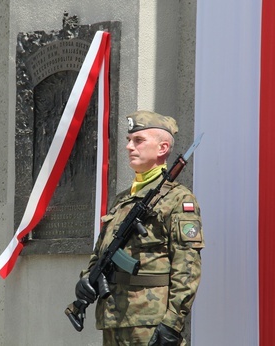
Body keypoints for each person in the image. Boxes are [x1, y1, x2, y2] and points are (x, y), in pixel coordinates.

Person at [75, 110, 204, 345]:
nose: (129, 147)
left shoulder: (178, 199)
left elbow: (187, 268)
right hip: (114, 319)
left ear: (162, 148)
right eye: (128, 141)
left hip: (149, 323)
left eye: (139, 140)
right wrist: (87, 278)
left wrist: (172, 324)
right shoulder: (123, 199)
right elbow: (103, 250)